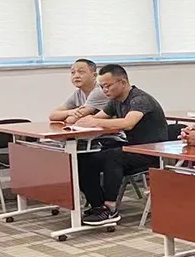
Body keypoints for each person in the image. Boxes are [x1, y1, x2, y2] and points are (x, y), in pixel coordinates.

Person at [72, 65, 169, 226]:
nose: (104, 90)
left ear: (122, 83)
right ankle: (98, 206)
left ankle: (111, 208)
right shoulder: (115, 101)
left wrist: (95, 121)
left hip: (151, 152)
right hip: (131, 147)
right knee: (85, 158)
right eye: (102, 86)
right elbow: (98, 118)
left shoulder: (139, 99)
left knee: (113, 156)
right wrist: (82, 120)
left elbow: (128, 123)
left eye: (108, 86)